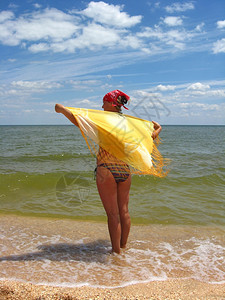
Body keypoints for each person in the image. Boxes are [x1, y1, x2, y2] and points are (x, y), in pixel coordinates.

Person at [55, 90, 162, 254]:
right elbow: (147, 138)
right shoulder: (130, 124)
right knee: (124, 212)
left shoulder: (103, 121)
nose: (101, 106)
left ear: (112, 104)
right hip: (125, 171)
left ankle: (116, 253)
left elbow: (79, 120)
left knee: (113, 214)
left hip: (106, 170)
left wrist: (62, 109)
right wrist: (158, 129)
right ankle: (123, 247)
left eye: (103, 102)